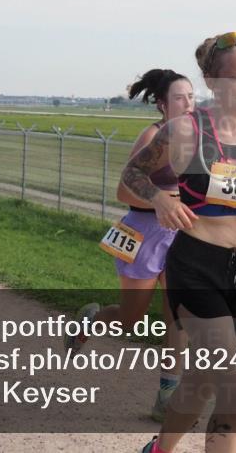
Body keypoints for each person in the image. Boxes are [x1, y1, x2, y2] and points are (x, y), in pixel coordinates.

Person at [121, 32, 236, 453]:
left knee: (202, 381)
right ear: (211, 80)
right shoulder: (184, 130)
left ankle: (157, 450)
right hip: (196, 266)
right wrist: (160, 199)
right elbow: (131, 176)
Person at [66, 69, 194, 421]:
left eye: (192, 97)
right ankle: (89, 322)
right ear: (162, 104)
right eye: (181, 98)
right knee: (130, 320)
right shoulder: (152, 136)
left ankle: (166, 396)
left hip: (181, 236)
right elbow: (124, 191)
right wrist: (165, 199)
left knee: (177, 316)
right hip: (146, 235)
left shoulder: (197, 139)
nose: (189, 104)